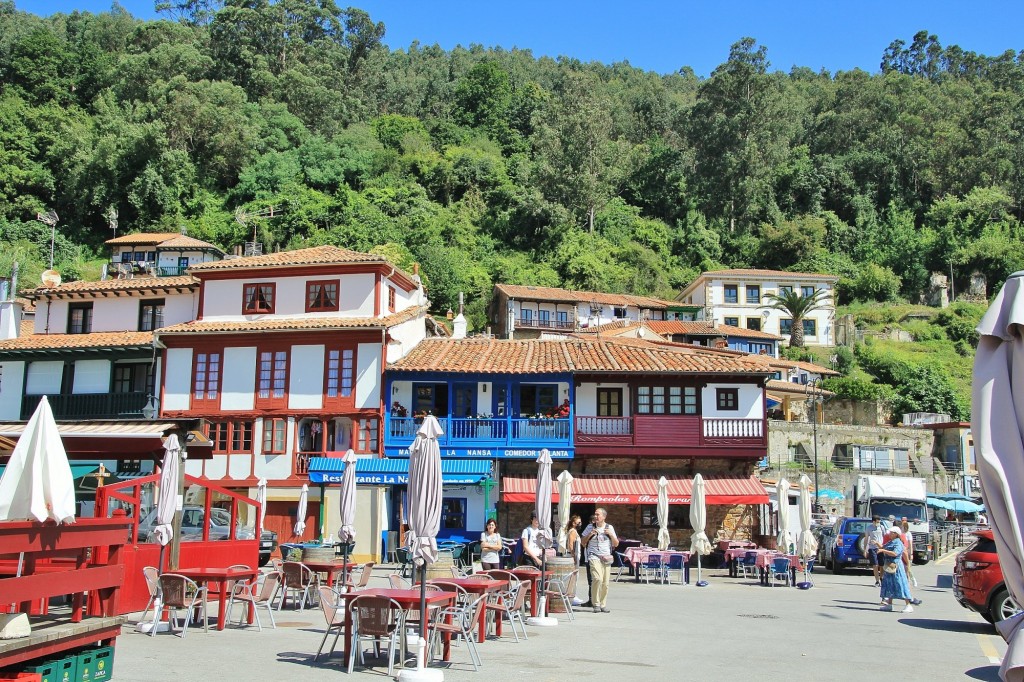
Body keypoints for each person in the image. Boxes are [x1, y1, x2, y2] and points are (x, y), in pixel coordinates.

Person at [581, 507, 618, 614]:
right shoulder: (589, 527)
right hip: (593, 556)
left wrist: (611, 534)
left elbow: (616, 544)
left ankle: (603, 604)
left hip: (606, 557)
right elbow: (583, 543)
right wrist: (589, 535)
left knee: (605, 583)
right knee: (597, 579)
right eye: (595, 514)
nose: (596, 516)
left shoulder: (609, 527)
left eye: (598, 515)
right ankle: (595, 603)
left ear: (604, 517)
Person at [877, 527, 915, 613]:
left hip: (896, 567)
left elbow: (895, 553)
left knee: (900, 584)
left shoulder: (898, 543)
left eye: (891, 533)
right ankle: (889, 604)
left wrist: (883, 550)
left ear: (895, 534)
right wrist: (877, 545)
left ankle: (908, 605)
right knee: (889, 585)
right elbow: (884, 547)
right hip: (889, 566)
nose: (889, 534)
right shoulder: (891, 542)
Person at [564, 514, 583, 605]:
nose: (580, 524)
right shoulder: (573, 531)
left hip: (575, 556)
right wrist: (573, 556)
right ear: (573, 523)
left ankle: (572, 595)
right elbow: (571, 544)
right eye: (578, 522)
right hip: (573, 556)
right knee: (574, 577)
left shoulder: (573, 531)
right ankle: (572, 596)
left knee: (575, 576)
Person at [900, 519, 922, 599]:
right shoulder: (900, 533)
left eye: (903, 526)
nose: (901, 527)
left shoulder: (908, 534)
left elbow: (910, 544)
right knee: (903, 569)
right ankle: (905, 585)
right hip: (901, 553)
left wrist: (911, 553)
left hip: (907, 552)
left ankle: (912, 580)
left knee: (908, 569)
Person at [866, 516, 885, 587]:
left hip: (881, 547)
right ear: (873, 521)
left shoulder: (882, 527)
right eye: (877, 522)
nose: (878, 523)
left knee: (882, 565)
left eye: (879, 522)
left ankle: (881, 577)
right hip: (872, 548)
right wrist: (865, 549)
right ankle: (877, 581)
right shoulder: (869, 528)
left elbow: (885, 537)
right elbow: (866, 538)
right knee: (875, 564)